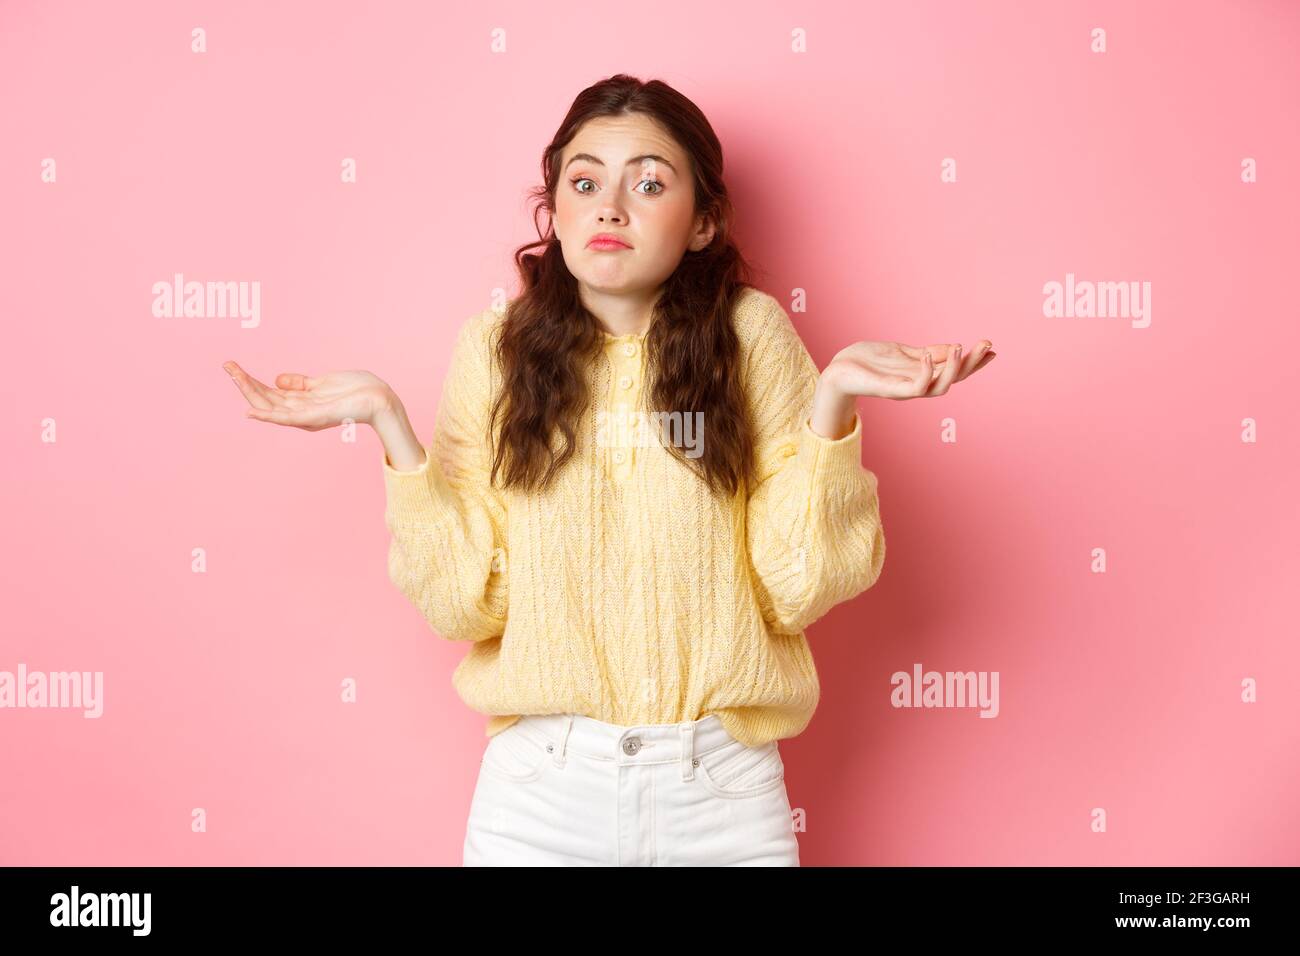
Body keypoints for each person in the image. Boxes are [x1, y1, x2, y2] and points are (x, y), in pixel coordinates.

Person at [222, 73, 995, 866]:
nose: (610, 207)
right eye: (583, 181)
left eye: (650, 183)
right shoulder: (495, 353)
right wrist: (393, 430)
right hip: (539, 798)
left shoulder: (752, 335)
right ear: (553, 212)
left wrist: (832, 407)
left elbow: (794, 584)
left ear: (703, 222)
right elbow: (466, 604)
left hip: (721, 795)